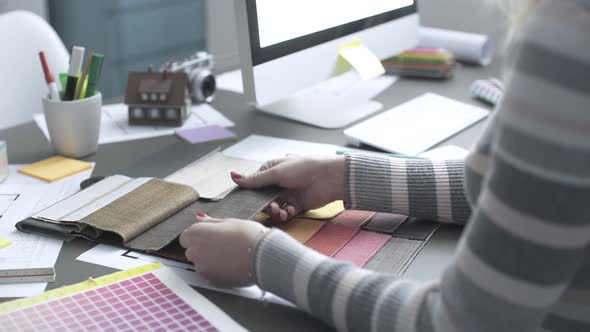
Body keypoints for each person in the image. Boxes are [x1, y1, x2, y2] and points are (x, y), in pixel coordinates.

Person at [179, 1, 590, 331]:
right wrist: (341, 176)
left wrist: (261, 257)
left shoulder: (570, 38)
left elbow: (457, 322)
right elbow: (533, 193)